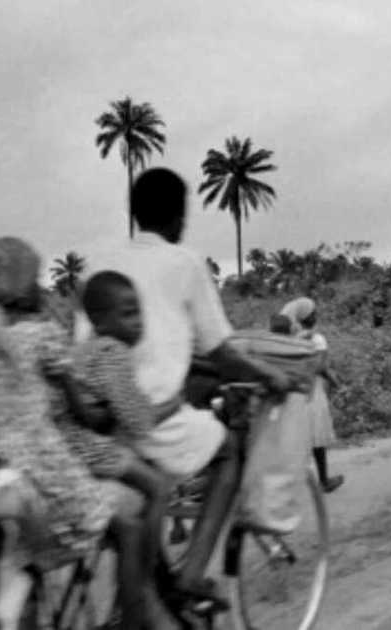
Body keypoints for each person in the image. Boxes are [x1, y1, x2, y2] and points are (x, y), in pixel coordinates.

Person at [75, 167, 293, 610]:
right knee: (229, 448)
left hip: (95, 413)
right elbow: (221, 351)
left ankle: (144, 588)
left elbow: (91, 344)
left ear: (134, 212)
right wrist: (270, 375)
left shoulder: (98, 264)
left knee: (147, 485)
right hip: (147, 413)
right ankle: (191, 575)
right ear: (178, 217)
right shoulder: (185, 262)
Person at [0, 237, 136, 628]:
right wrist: (102, 419)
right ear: (29, 288)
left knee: (28, 542)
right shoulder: (43, 334)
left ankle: (4, 612)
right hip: (35, 465)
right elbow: (80, 410)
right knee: (123, 526)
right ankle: (136, 619)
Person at [47, 271, 180, 629]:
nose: (137, 323)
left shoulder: (84, 350)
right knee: (158, 487)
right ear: (100, 320)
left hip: (61, 444)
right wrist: (172, 406)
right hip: (83, 445)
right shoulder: (112, 351)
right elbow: (135, 418)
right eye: (128, 313)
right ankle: (139, 586)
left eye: (138, 312)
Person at [279, 297, 346, 493]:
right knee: (317, 440)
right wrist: (337, 384)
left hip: (294, 392)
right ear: (310, 316)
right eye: (314, 312)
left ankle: (287, 484)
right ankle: (324, 480)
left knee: (296, 439)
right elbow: (321, 368)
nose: (316, 314)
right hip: (312, 392)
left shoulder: (291, 338)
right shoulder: (317, 339)